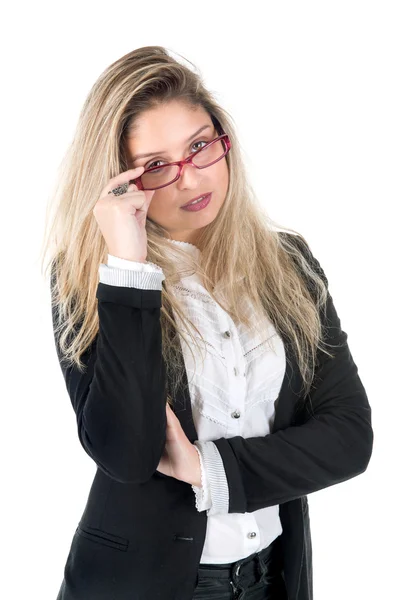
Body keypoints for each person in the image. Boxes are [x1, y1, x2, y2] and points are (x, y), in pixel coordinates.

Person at [41, 46, 374, 600]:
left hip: (273, 577)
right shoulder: (88, 280)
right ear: (119, 179)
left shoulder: (289, 262)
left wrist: (208, 470)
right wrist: (129, 268)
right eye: (156, 167)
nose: (191, 181)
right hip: (144, 584)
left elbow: (349, 437)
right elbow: (126, 454)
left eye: (199, 147)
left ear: (224, 141)